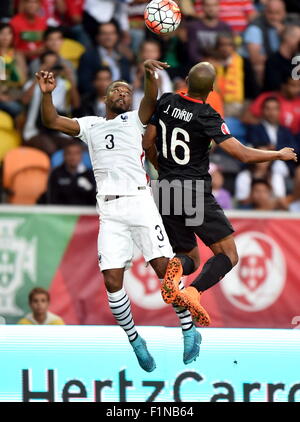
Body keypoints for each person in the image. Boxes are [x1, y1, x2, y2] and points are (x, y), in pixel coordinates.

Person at [35, 59, 202, 372]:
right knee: (112, 281)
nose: (122, 94)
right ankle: (135, 340)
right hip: (109, 210)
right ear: (105, 98)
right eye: (116, 90)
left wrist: (148, 74)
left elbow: (150, 99)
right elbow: (52, 121)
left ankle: (188, 329)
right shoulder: (91, 125)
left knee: (165, 270)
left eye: (127, 91)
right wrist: (47, 94)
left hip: (140, 201)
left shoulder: (135, 121)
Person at [143, 61, 297, 321]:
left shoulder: (166, 101)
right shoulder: (207, 115)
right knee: (228, 255)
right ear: (212, 88)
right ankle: (193, 291)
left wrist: (162, 169)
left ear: (187, 82)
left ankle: (177, 269)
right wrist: (278, 154)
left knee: (188, 254)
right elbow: (242, 154)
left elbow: (147, 142)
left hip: (165, 189)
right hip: (193, 190)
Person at [22, 50, 80, 155]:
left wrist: (70, 78)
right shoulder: (32, 84)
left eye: (54, 65)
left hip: (59, 129)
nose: (51, 69)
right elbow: (24, 100)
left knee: (74, 149)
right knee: (50, 148)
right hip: (36, 130)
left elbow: (76, 104)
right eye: (48, 65)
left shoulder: (64, 84)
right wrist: (38, 77)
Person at [77, 20, 132, 95]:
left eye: (112, 33)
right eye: (104, 34)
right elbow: (84, 84)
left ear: (117, 36)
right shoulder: (88, 56)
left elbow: (127, 80)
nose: (108, 37)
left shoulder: (123, 58)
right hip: (97, 101)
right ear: (97, 37)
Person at [242, 0, 287, 85]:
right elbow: (255, 59)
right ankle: (262, 94)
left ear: (284, 13)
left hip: (280, 64)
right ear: (265, 12)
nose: (274, 17)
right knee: (259, 66)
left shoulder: (289, 25)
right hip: (262, 68)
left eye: (278, 13)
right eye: (270, 13)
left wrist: (284, 34)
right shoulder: (255, 28)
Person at [46, 141, 96, 206]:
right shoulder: (56, 174)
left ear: (82, 155)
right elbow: (52, 199)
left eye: (76, 153)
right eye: (69, 153)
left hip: (85, 214)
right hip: (62, 213)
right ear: (64, 155)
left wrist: (90, 188)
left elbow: (95, 200)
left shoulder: (90, 174)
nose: (73, 157)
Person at [186, 0, 232, 64]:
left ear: (219, 7)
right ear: (202, 7)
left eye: (214, 5)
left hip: (221, 66)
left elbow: (229, 51)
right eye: (208, 5)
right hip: (199, 67)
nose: (211, 8)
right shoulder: (194, 27)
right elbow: (192, 52)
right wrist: (205, 61)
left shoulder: (225, 27)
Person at [263, 25, 300, 92]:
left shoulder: (297, 60)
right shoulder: (273, 60)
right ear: (288, 38)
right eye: (298, 39)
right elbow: (275, 86)